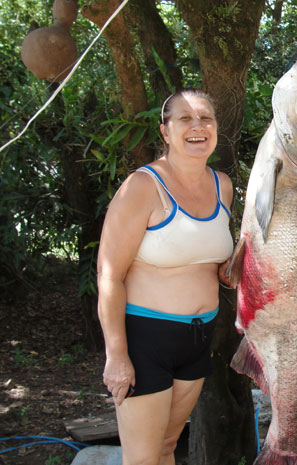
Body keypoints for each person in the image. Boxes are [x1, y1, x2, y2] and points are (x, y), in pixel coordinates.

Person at [97, 88, 233, 465]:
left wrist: (227, 270)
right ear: (165, 131)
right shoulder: (142, 187)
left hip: (198, 337)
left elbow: (205, 258)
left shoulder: (223, 186)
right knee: (142, 459)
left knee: (167, 447)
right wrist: (117, 355)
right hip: (146, 340)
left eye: (206, 118)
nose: (197, 126)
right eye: (185, 119)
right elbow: (109, 275)